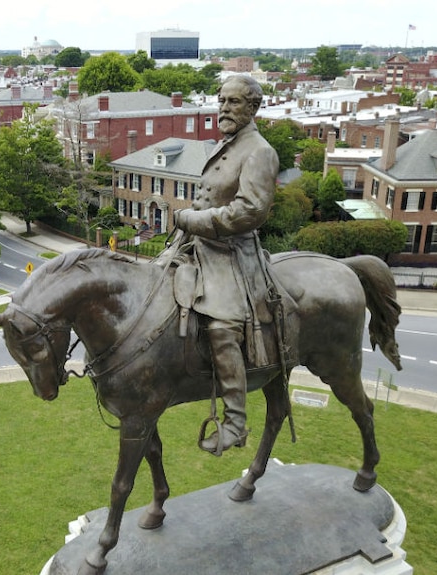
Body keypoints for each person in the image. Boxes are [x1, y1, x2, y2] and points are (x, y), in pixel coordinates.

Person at [171, 75, 280, 455]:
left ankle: (235, 422)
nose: (224, 109)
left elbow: (250, 211)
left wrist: (193, 220)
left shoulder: (259, 151)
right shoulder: (229, 144)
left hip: (231, 254)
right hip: (196, 244)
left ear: (253, 108)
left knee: (221, 328)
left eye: (234, 103)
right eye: (221, 101)